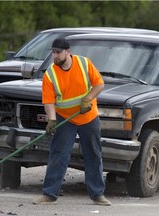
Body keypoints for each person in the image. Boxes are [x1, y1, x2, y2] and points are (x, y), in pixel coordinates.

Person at [33, 38, 111, 206]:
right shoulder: (50, 74)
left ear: (68, 52)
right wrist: (52, 120)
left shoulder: (84, 64)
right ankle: (49, 194)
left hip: (88, 117)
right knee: (58, 155)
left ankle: (97, 194)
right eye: (52, 52)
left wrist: (88, 99)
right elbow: (49, 101)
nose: (54, 56)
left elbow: (99, 84)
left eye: (58, 52)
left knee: (93, 154)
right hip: (64, 119)